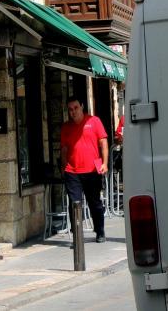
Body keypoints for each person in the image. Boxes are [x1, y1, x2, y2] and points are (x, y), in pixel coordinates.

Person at [60, 98, 108, 242]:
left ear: (82, 106)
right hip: (72, 171)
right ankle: (77, 236)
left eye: (76, 107)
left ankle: (100, 231)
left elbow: (103, 142)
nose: (73, 112)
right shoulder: (66, 127)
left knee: (95, 203)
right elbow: (64, 150)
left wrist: (105, 163)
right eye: (70, 109)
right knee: (75, 204)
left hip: (92, 170)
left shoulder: (94, 121)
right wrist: (64, 168)